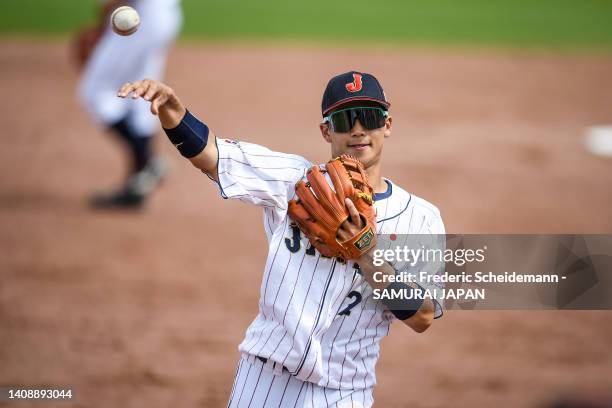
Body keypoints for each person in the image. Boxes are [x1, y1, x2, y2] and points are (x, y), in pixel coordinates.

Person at [117, 71, 445, 407]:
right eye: (346, 119)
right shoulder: (293, 181)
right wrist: (173, 109)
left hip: (345, 389)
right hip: (264, 376)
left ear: (387, 125)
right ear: (326, 130)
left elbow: (422, 316)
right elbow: (212, 156)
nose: (358, 129)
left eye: (371, 117)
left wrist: (367, 254)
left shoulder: (420, 217)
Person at [77, 0, 182, 209]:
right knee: (142, 93)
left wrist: (106, 12)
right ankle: (137, 186)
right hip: (163, 16)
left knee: (94, 90)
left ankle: (148, 162)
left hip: (139, 17)